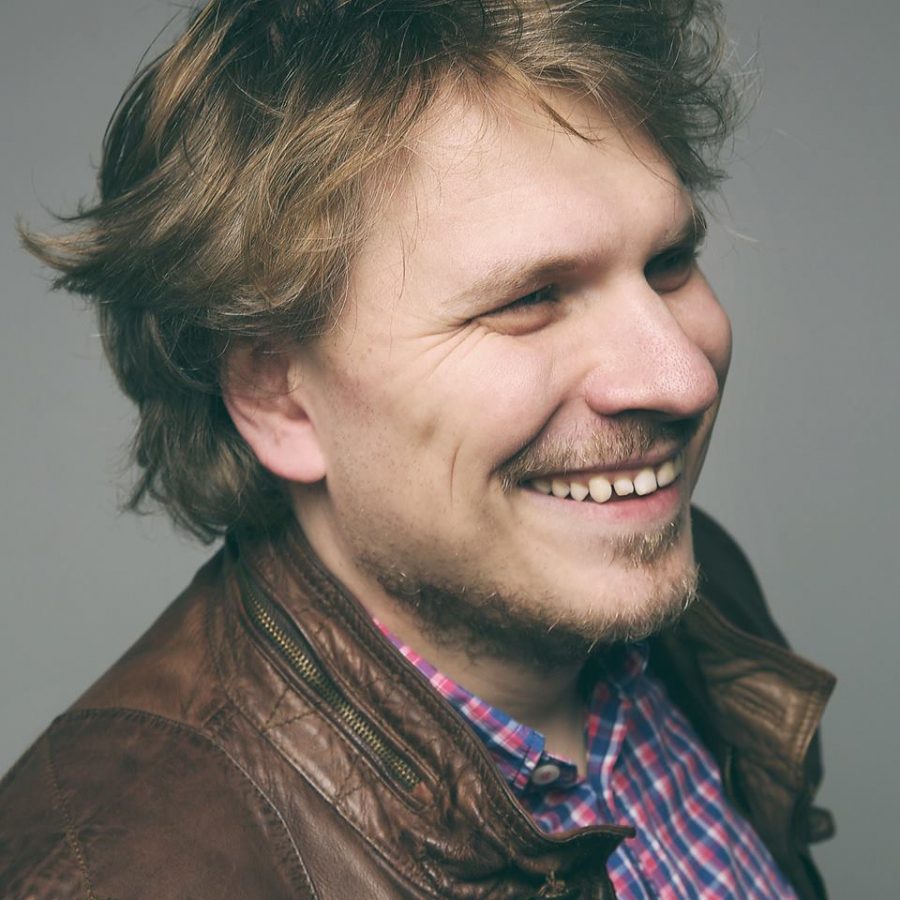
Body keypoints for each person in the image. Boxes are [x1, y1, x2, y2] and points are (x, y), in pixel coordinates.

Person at [0, 1, 836, 898]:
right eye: (530, 299)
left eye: (669, 262)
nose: (684, 379)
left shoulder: (698, 589)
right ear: (278, 395)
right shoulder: (118, 875)